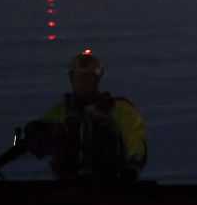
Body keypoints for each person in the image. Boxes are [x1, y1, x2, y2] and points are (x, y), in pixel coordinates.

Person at [24, 50, 147, 181]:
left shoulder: (121, 110)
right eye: (79, 78)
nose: (83, 83)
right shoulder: (61, 112)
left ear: (97, 79)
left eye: (88, 77)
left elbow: (136, 142)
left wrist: (132, 167)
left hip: (110, 180)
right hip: (69, 182)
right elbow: (35, 142)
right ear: (71, 79)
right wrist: (33, 132)